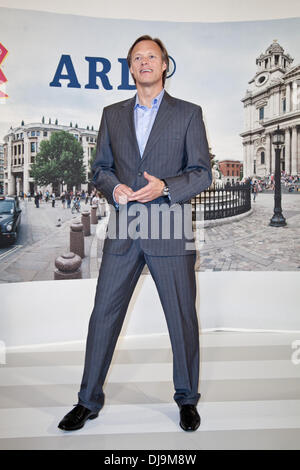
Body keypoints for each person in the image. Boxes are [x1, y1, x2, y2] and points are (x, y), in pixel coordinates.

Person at [58, 35, 212, 433]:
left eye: (152, 56)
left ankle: (187, 399)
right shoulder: (112, 114)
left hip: (170, 225)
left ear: (165, 65)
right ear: (130, 68)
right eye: (137, 58)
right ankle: (87, 400)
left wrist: (165, 187)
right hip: (125, 227)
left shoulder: (189, 114)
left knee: (181, 319)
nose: (145, 62)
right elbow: (100, 170)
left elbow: (202, 173)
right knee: (104, 316)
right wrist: (113, 189)